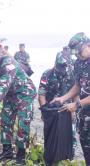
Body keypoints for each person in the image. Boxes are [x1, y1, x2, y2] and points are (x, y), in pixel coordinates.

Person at [52, 32, 90, 165]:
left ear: (88, 45)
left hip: (82, 106)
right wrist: (63, 98)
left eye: (79, 51)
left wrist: (77, 104)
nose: (77, 55)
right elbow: (78, 85)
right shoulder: (79, 63)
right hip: (85, 114)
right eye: (75, 53)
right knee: (86, 145)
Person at [38, 51, 77, 158]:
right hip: (51, 109)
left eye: (64, 67)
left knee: (70, 136)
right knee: (51, 134)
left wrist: (74, 109)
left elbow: (76, 93)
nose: (62, 70)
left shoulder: (72, 75)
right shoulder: (47, 74)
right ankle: (51, 157)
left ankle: (68, 157)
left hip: (67, 108)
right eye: (60, 66)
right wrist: (44, 112)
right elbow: (41, 94)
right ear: (55, 63)